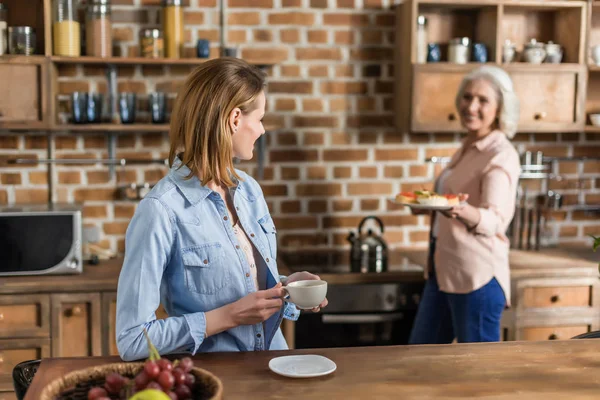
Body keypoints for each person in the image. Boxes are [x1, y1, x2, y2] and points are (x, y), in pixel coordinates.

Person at [116, 58, 327, 361]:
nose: (263, 130)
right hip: (215, 379)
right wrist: (229, 316)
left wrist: (287, 288)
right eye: (260, 118)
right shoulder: (160, 211)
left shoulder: (249, 190)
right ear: (235, 119)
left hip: (275, 368)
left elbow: (244, 281)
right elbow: (132, 340)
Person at [408, 65, 521, 344]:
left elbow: (495, 220)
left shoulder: (500, 155)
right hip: (443, 272)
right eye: (467, 97)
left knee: (478, 374)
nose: (471, 106)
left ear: (500, 108)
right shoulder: (469, 146)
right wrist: (427, 205)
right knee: (419, 363)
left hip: (476, 278)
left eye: (483, 100)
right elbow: (447, 200)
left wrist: (458, 209)